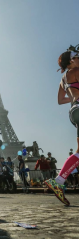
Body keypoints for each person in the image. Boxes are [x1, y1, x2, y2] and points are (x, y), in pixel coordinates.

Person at [44, 47, 79, 205]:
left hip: (74, 111)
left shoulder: (63, 78)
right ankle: (58, 181)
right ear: (72, 60)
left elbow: (60, 100)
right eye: (77, 56)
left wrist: (74, 98)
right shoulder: (77, 70)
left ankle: (58, 181)